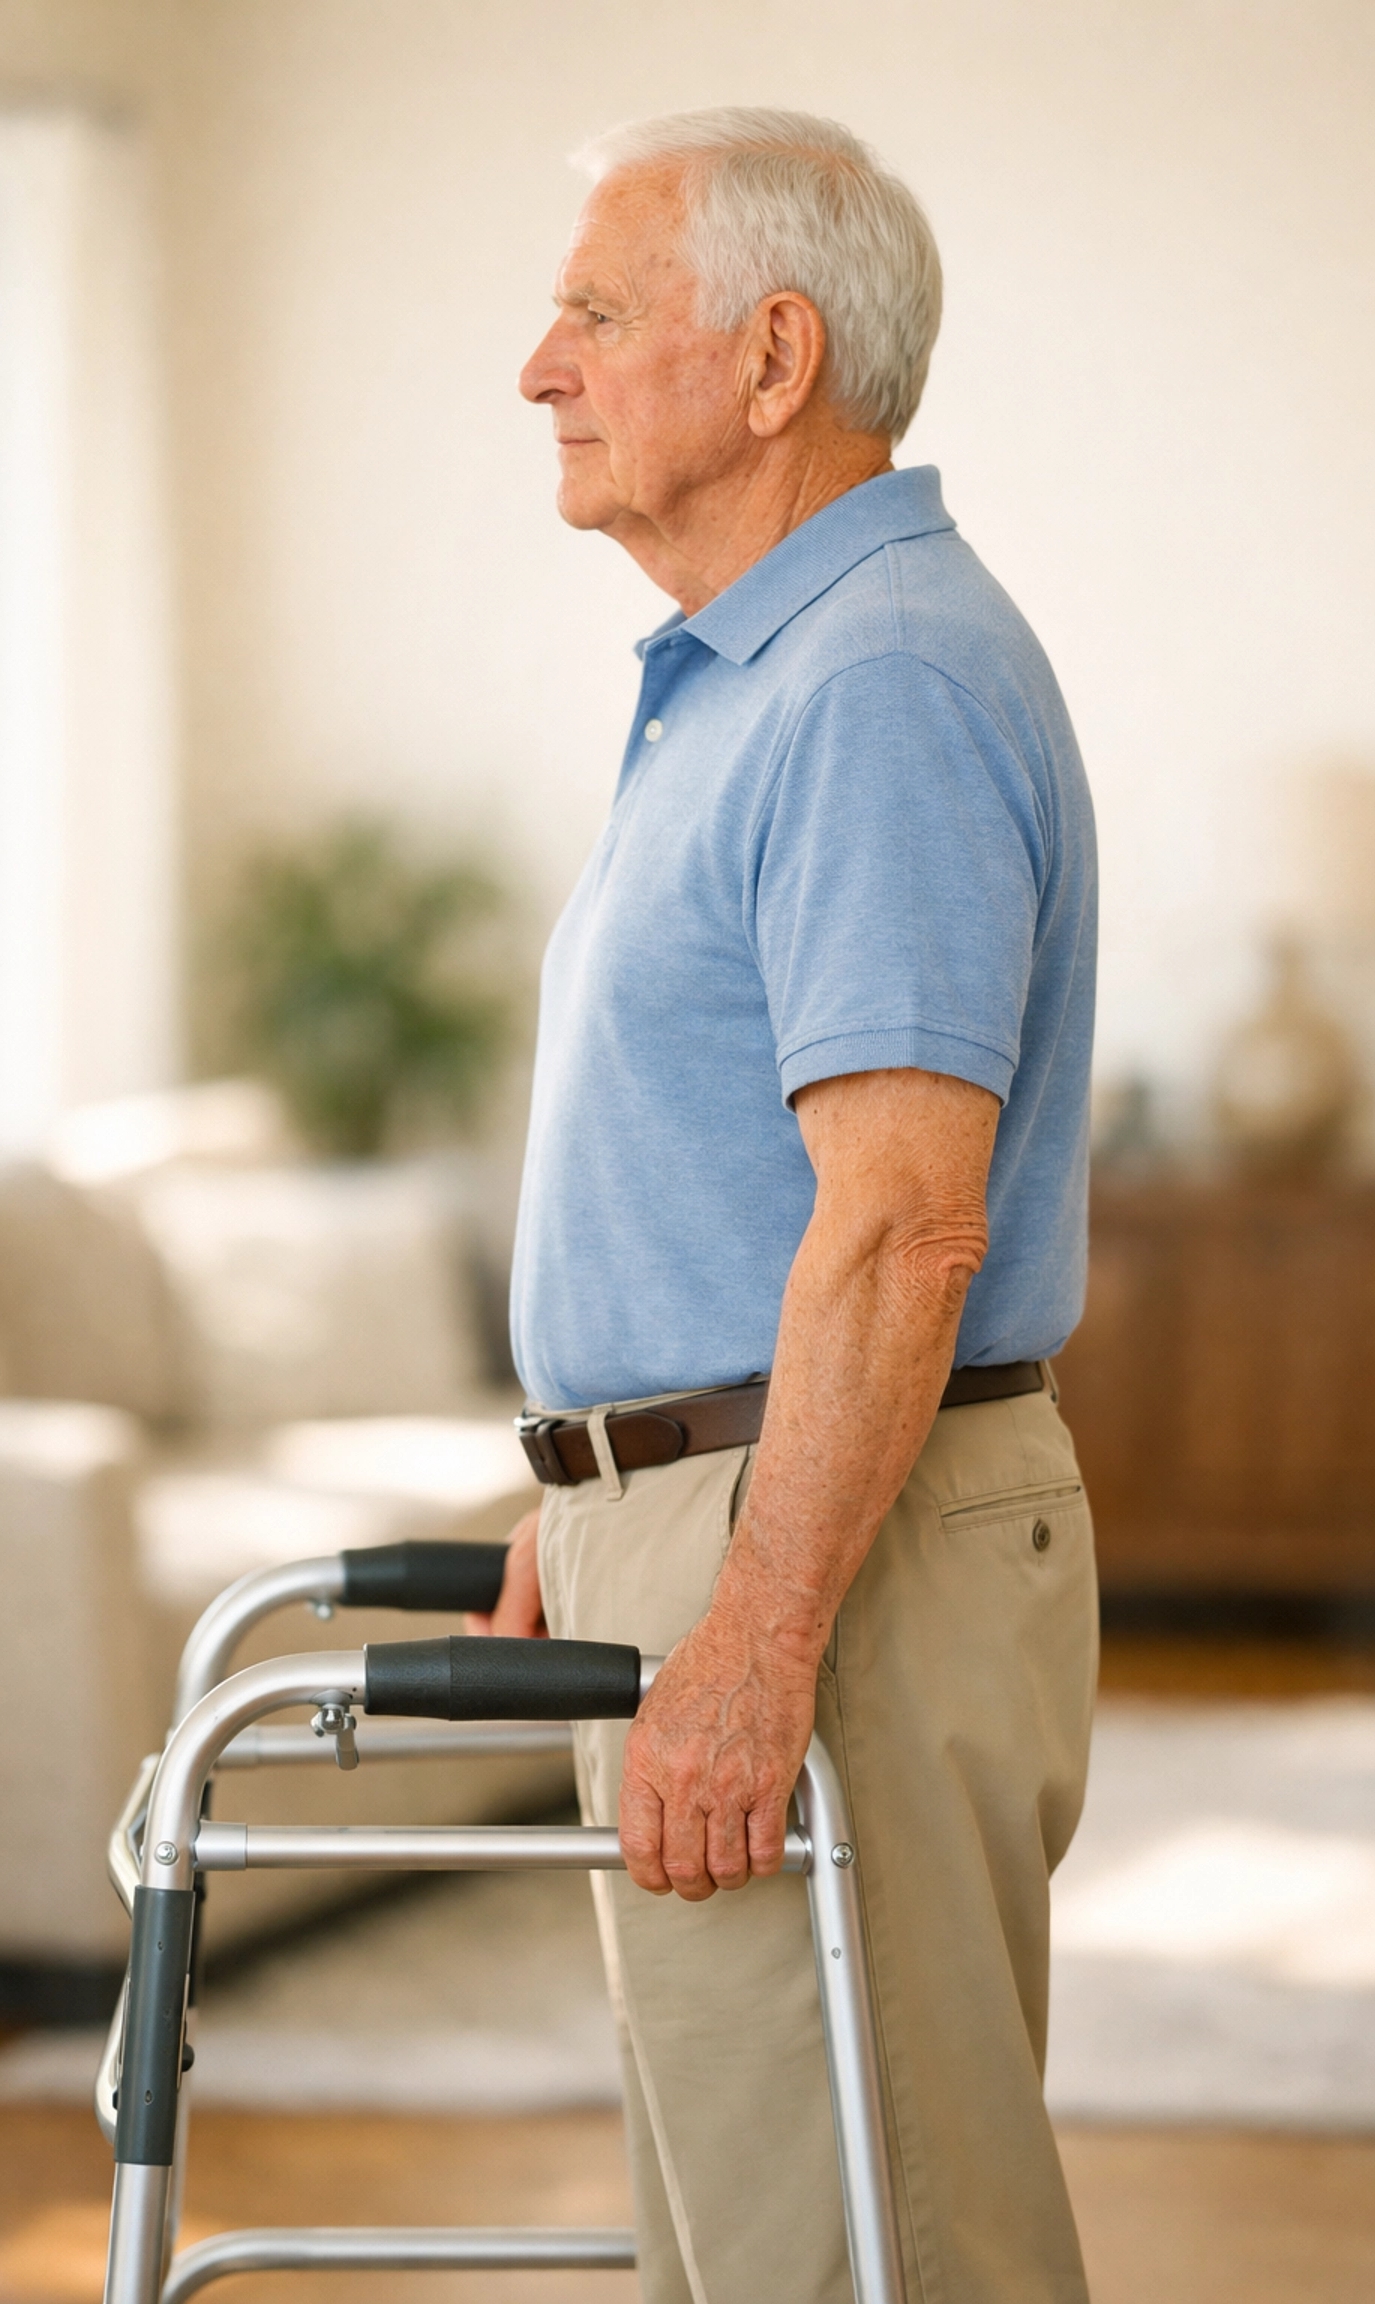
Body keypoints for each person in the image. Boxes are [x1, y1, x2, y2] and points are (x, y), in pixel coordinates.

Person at [470, 107, 1098, 2304]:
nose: (539, 366)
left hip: (829, 1547)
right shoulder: (762, 679)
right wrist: (601, 1481)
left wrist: (749, 1633)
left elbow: (908, 1229)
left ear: (772, 360)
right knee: (755, 2238)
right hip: (731, 1511)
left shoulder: (875, 682)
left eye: (596, 310)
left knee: (870, 2244)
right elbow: (728, 1167)